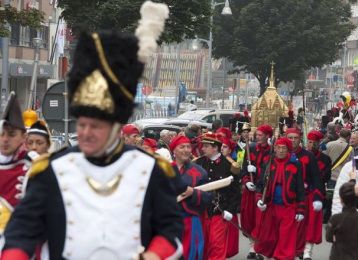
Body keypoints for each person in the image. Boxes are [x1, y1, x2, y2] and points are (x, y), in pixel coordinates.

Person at [1, 3, 183, 259]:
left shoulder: (151, 169)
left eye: (95, 126)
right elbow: (22, 232)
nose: (85, 133)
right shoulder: (50, 170)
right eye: (82, 124)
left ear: (115, 127)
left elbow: (171, 231)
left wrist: (154, 255)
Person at [255, 137, 305, 260]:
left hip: (288, 207)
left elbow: (300, 187)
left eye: (284, 148)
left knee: (286, 237)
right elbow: (261, 184)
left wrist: (300, 209)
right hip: (270, 206)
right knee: (268, 237)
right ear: (275, 149)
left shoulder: (296, 164)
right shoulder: (269, 163)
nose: (281, 151)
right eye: (278, 148)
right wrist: (259, 199)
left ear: (288, 150)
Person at [194, 133, 239, 260]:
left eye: (206, 146)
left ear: (215, 148)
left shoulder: (229, 165)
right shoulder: (199, 162)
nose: (202, 149)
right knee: (203, 243)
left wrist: (230, 210)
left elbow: (235, 191)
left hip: (219, 210)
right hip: (202, 210)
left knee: (216, 243)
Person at [170, 136, 211, 260]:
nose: (186, 150)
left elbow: (209, 197)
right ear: (174, 150)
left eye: (188, 147)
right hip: (168, 222)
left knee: (191, 254)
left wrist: (193, 193)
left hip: (190, 222)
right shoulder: (163, 170)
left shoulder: (199, 172)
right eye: (182, 147)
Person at [285, 128, 323, 258]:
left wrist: (317, 196)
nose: (293, 141)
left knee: (307, 226)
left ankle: (306, 252)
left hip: (305, 196)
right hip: (287, 198)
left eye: (295, 138)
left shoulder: (308, 156)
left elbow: (316, 177)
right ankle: (291, 250)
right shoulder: (281, 154)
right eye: (290, 138)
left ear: (300, 139)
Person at [0, 92, 32, 233]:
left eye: (12, 134)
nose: (5, 139)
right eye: (2, 134)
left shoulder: (34, 167)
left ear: (23, 137)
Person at [241, 124, 273, 259]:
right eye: (257, 135)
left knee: (260, 221)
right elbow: (244, 169)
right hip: (250, 190)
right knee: (249, 219)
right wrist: (246, 180)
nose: (258, 137)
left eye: (261, 135)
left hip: (262, 191)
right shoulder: (251, 148)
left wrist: (258, 172)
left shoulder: (272, 151)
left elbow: (270, 172)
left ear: (267, 136)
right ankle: (252, 246)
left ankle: (256, 249)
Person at [304, 130, 332, 259]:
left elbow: (326, 176)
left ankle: (308, 251)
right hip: (300, 194)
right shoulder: (300, 155)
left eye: (314, 142)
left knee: (312, 223)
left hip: (315, 193)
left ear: (319, 143)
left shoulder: (325, 159)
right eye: (309, 142)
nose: (311, 145)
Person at [326, 181, 358, 260]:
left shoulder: (335, 218)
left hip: (338, 255)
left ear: (341, 199)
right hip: (355, 255)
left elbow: (328, 237)